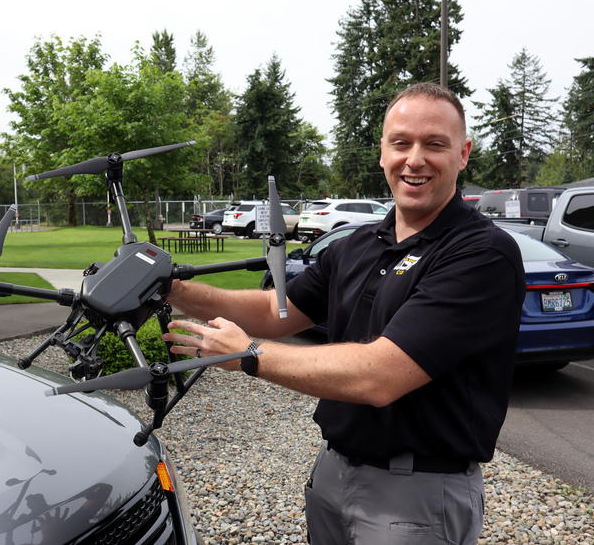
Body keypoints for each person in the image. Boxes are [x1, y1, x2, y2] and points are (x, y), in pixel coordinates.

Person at [163, 83, 525, 544]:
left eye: (435, 144)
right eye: (401, 143)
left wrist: (249, 355)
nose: (415, 159)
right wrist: (176, 289)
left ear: (463, 153)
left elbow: (381, 376)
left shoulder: (481, 253)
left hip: (417, 496)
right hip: (332, 474)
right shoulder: (357, 245)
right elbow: (277, 310)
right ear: (382, 152)